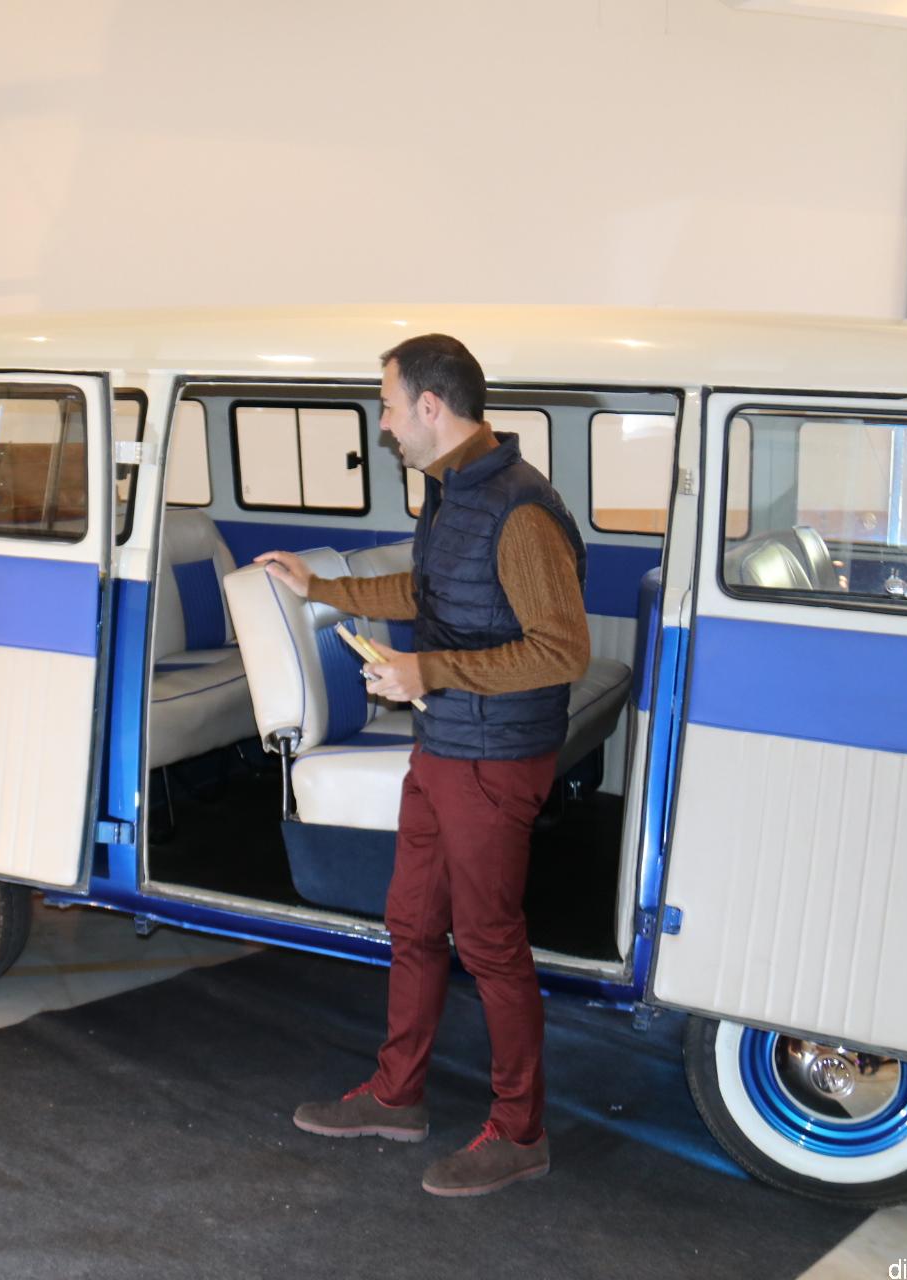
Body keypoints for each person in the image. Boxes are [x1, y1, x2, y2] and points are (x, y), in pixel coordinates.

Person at [261, 334, 589, 1198]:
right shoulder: (451, 493)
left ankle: (520, 1133)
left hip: (495, 758)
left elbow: (562, 650)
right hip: (445, 747)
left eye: (388, 406)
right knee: (410, 922)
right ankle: (396, 1096)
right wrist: (320, 587)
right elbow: (425, 591)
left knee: (488, 943)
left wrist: (427, 672)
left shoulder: (519, 508)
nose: (385, 425)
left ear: (431, 407)